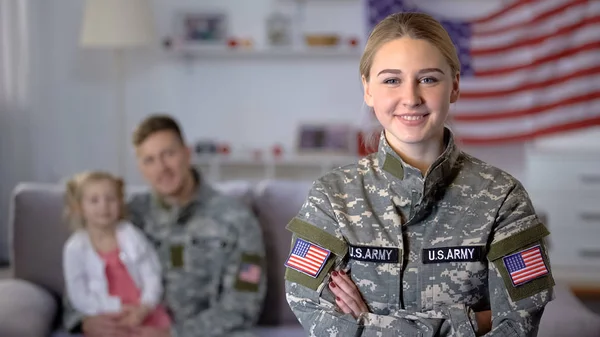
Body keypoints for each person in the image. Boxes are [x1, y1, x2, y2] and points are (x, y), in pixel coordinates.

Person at [284, 12, 554, 337]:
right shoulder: (331, 196)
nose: (411, 98)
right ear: (368, 89)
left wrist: (368, 325)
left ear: (454, 86)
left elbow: (516, 326)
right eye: (391, 80)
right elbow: (312, 309)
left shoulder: (503, 199)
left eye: (428, 79)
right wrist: (472, 323)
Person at [62, 115, 267, 337]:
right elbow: (81, 272)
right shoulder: (125, 216)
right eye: (149, 160)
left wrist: (173, 334)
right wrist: (84, 320)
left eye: (168, 154)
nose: (161, 168)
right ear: (140, 168)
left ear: (187, 154)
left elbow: (243, 305)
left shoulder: (235, 218)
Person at [62, 171, 171, 334]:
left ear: (120, 203)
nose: (104, 206)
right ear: (79, 207)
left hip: (143, 311)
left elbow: (151, 274)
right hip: (105, 315)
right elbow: (78, 294)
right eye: (94, 200)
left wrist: (145, 306)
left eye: (111, 199)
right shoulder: (75, 248)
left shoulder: (132, 236)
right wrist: (115, 307)